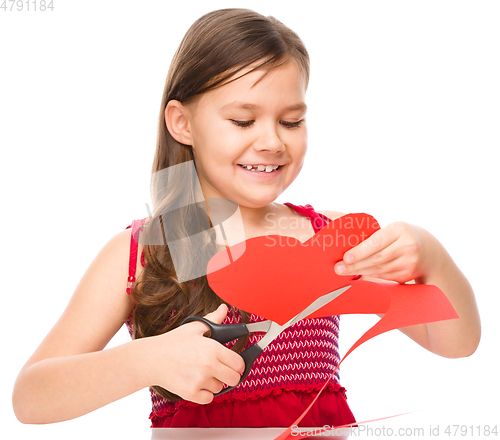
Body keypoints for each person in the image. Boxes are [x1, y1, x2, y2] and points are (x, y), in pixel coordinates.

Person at [12, 8, 480, 428]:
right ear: (182, 123)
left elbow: (457, 342)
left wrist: (432, 257)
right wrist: (145, 360)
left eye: (291, 121)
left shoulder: (331, 239)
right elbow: (31, 398)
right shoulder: (144, 251)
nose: (272, 142)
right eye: (242, 120)